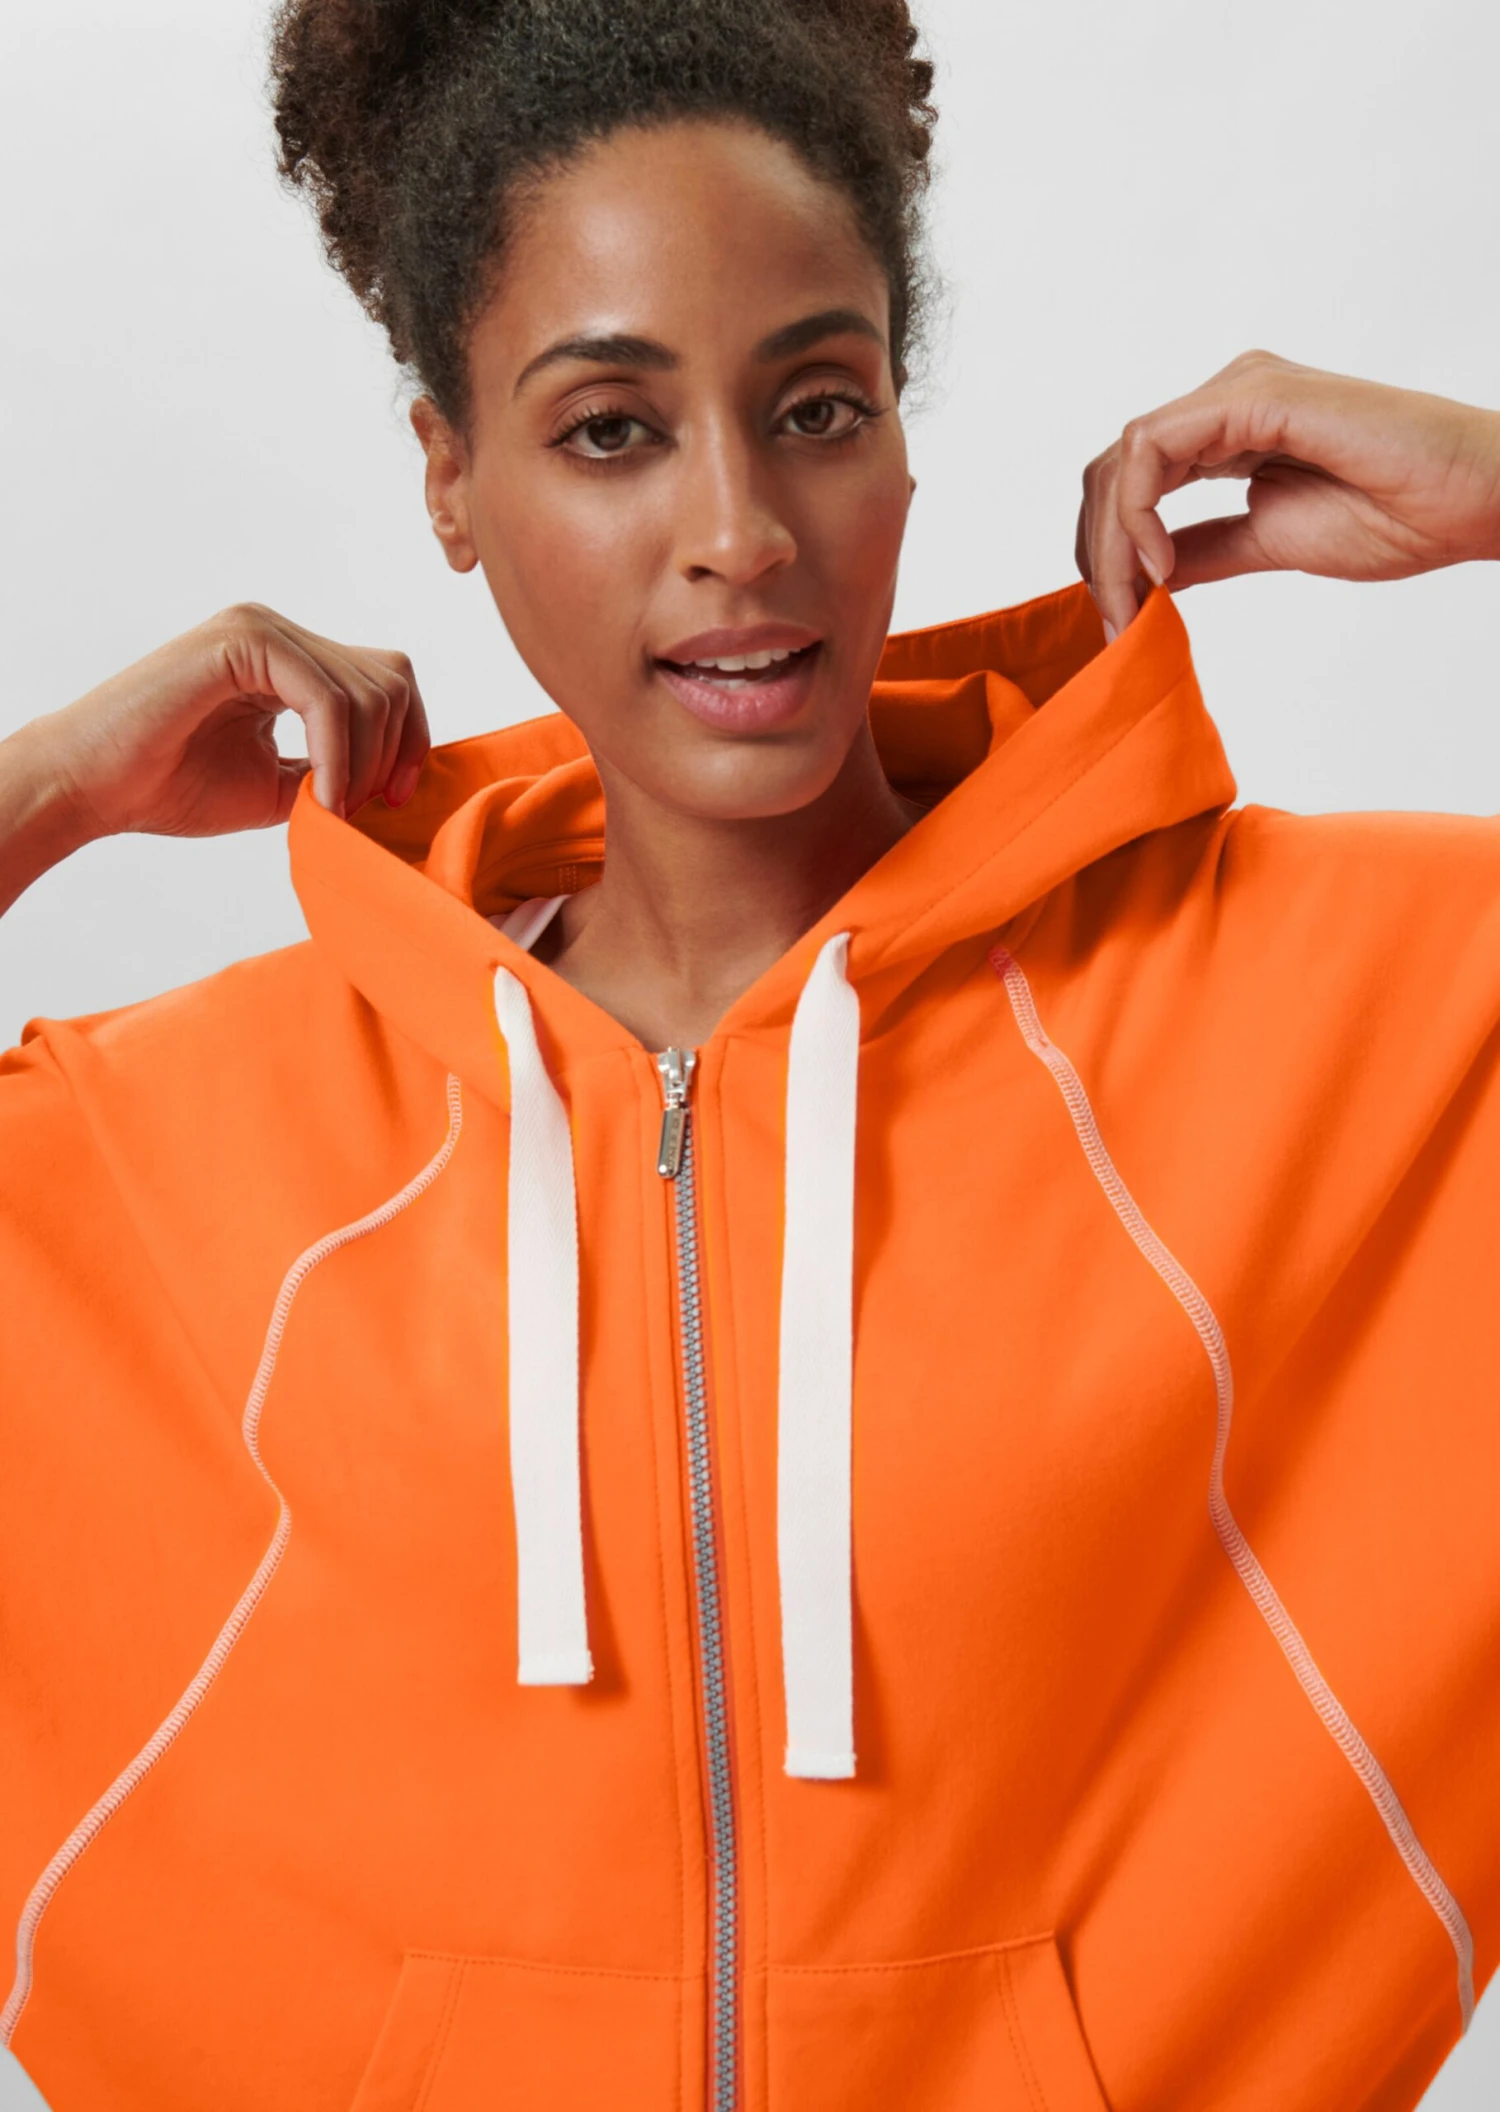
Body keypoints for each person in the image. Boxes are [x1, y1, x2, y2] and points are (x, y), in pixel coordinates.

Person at [1, 1, 1498, 2106]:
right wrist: (50, 790)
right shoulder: (195, 1143)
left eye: (816, 406)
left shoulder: (1332, 1006)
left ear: (901, 435)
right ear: (449, 475)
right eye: (612, 428)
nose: (744, 529)